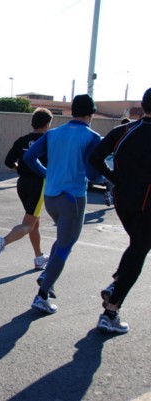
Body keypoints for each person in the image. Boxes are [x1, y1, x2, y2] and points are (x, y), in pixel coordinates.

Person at [23, 94, 102, 314]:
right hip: (73, 198)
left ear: (72, 112)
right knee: (66, 246)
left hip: (50, 197)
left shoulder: (54, 133)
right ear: (91, 114)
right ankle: (42, 294)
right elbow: (92, 173)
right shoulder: (92, 137)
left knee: (62, 240)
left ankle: (46, 276)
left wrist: (46, 173)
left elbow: (29, 157)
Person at [89, 88, 151, 334]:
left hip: (122, 201)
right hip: (147, 204)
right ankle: (110, 311)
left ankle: (115, 284)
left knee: (138, 245)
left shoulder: (123, 131)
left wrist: (114, 177)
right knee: (139, 251)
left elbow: (94, 159)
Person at [0, 108, 53, 270]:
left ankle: (39, 258)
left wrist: (20, 169)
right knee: (28, 224)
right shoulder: (49, 141)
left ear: (33, 123)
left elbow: (8, 162)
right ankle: (2, 242)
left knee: (34, 222)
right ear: (46, 125)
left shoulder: (22, 140)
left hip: (22, 184)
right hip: (38, 185)